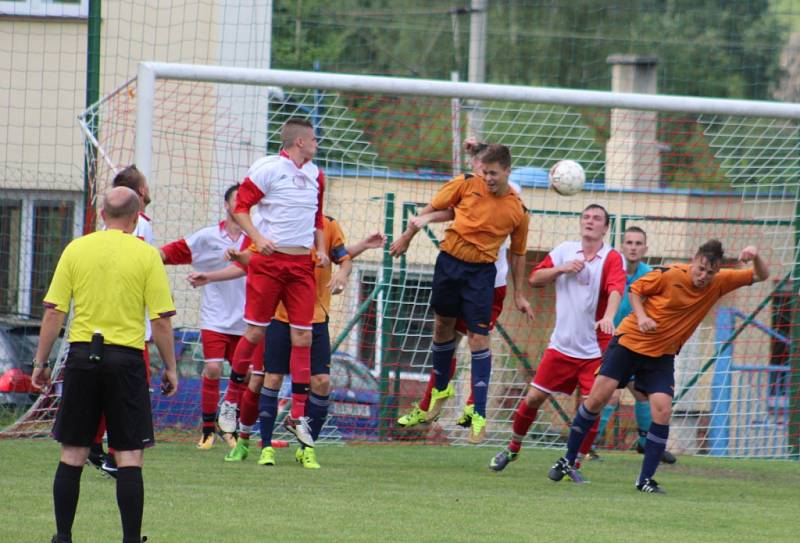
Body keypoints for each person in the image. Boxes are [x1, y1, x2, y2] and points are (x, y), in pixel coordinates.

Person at [549, 239, 768, 493]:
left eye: (710, 272)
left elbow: (762, 275)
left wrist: (755, 255)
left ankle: (645, 480)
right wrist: (642, 318)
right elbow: (635, 291)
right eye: (700, 268)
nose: (703, 276)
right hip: (629, 343)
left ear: (717, 271)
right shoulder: (670, 274)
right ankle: (567, 460)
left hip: (661, 355)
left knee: (663, 411)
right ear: (694, 260)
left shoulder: (720, 281)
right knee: (597, 399)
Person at [31, 186, 178, 543]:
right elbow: (160, 320)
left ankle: (63, 536)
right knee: (129, 454)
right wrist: (170, 367)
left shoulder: (76, 249)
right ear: (135, 218)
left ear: (101, 215)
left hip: (82, 358)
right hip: (125, 360)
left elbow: (55, 311)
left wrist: (40, 361)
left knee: (74, 451)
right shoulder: (146, 256)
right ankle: (130, 539)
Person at [193, 220, 385, 467]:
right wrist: (230, 263)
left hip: (315, 318)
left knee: (322, 382)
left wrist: (343, 271)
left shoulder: (327, 225)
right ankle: (250, 441)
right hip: (278, 317)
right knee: (262, 379)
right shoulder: (276, 223)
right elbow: (252, 262)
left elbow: (340, 256)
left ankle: (307, 447)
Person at [390, 144, 534, 443]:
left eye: (494, 173)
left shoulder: (517, 210)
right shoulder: (467, 183)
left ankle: (478, 411)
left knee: (478, 337)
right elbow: (432, 211)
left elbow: (519, 254)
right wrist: (406, 236)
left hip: (482, 275)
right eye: (485, 172)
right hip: (449, 263)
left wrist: (520, 294)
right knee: (442, 327)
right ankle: (440, 391)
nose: (488, 178)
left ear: (508, 171)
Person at [489, 204, 625, 475]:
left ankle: (573, 461)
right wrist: (561, 269)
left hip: (594, 349)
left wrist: (609, 316)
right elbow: (535, 277)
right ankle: (513, 448)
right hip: (561, 346)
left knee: (594, 406)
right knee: (533, 398)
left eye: (597, 218)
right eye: (586, 217)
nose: (590, 221)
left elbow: (616, 290)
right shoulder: (564, 250)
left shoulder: (611, 258)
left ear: (605, 228)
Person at [220, 117, 329, 450]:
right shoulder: (268, 168)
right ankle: (230, 400)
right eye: (313, 140)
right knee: (254, 332)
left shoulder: (316, 176)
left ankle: (297, 415)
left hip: (300, 266)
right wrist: (257, 237)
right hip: (269, 262)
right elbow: (240, 207)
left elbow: (316, 218)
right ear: (299, 142)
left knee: (304, 335)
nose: (316, 145)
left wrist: (321, 249)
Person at [159, 183, 252, 449]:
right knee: (212, 368)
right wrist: (146, 256)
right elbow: (171, 252)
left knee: (246, 376)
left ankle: (234, 430)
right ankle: (208, 430)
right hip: (215, 317)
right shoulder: (208, 237)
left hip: (247, 320)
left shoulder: (256, 239)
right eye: (236, 200)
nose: (240, 204)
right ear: (226, 205)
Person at [89, 165, 158, 477]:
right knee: (132, 392)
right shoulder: (141, 226)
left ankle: (91, 441)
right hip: (130, 328)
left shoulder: (99, 235)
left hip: (96, 326)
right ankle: (117, 454)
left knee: (100, 388)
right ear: (140, 193)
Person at [589, 226, 676, 465]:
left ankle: (646, 442)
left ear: (645, 248)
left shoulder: (652, 275)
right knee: (609, 397)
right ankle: (588, 443)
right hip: (608, 343)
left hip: (638, 344)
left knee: (642, 394)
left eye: (639, 243)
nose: (634, 247)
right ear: (623, 247)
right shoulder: (611, 271)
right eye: (629, 243)